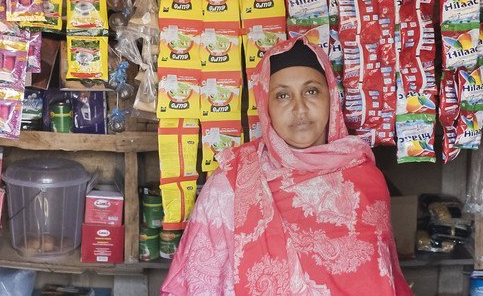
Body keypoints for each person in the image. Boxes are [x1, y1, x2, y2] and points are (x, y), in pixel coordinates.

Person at [161, 38, 413, 296]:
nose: (299, 108)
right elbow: (198, 283)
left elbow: (382, 280)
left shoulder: (364, 178)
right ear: (265, 106)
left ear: (331, 96)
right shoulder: (231, 183)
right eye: (282, 95)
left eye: (312, 91)